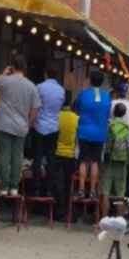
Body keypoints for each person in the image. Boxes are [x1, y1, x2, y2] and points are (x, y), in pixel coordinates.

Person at [0, 54, 40, 197]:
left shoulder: (4, 80)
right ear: (25, 67)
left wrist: (2, 74)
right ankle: (14, 188)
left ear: (12, 66)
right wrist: (29, 124)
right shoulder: (31, 86)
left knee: (4, 154)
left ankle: (3, 187)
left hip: (3, 124)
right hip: (21, 126)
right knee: (17, 156)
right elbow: (35, 109)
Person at [72, 70, 111, 200]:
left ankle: (82, 189)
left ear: (90, 80)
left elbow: (75, 107)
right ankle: (93, 190)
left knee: (83, 160)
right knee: (95, 161)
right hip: (100, 133)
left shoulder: (83, 94)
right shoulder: (107, 96)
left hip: (84, 132)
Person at [30, 61, 65, 198]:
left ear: (45, 73)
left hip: (39, 126)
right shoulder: (61, 90)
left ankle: (36, 187)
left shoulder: (39, 87)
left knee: (37, 157)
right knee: (51, 159)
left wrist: (30, 123)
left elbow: (35, 106)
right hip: (53, 127)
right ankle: (49, 188)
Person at [100, 102, 129, 217]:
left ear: (113, 112)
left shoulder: (109, 125)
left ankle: (104, 218)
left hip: (109, 161)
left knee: (105, 192)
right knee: (120, 193)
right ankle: (120, 219)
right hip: (121, 162)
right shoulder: (128, 127)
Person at [53, 91, 78, 220]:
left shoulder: (55, 116)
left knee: (58, 184)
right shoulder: (76, 118)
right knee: (69, 185)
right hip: (71, 155)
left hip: (57, 154)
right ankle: (71, 212)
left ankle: (59, 212)